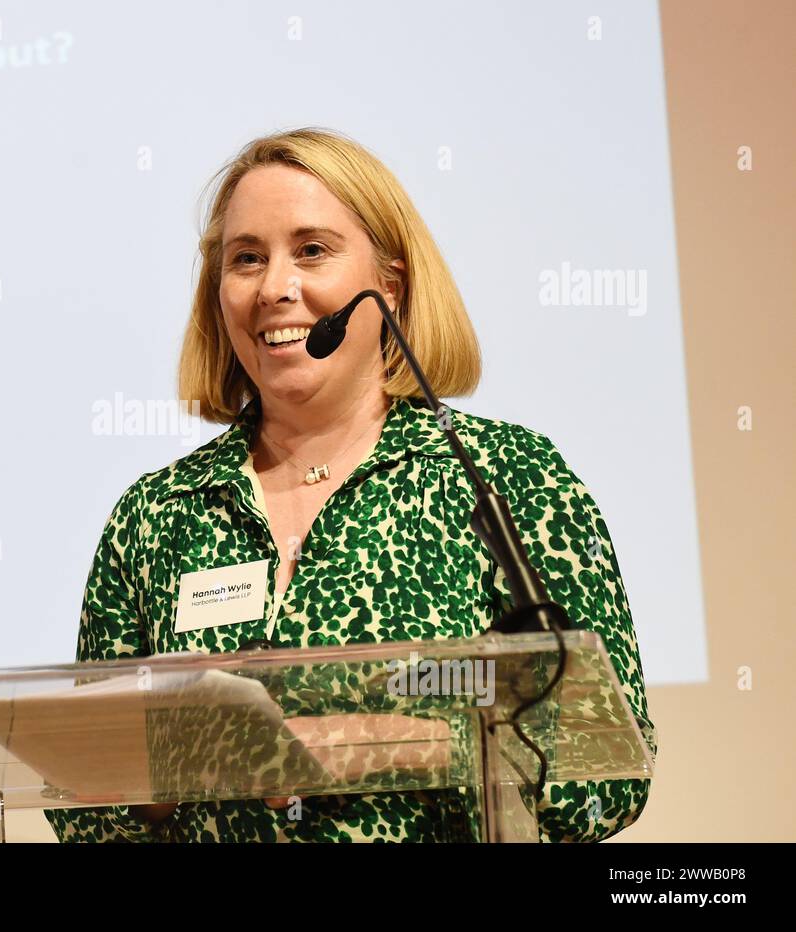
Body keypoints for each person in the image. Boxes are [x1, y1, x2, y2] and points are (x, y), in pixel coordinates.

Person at [45, 127, 656, 842]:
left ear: (389, 286)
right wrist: (158, 777)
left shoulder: (505, 479)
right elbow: (79, 805)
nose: (275, 288)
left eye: (312, 251)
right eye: (247, 259)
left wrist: (392, 746)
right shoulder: (157, 515)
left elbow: (606, 776)